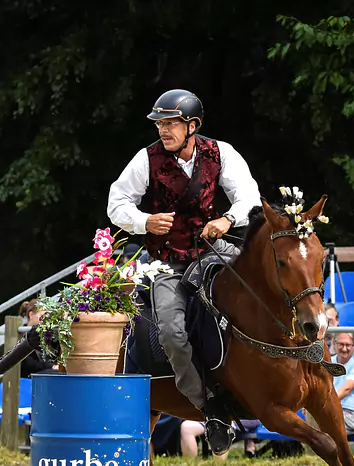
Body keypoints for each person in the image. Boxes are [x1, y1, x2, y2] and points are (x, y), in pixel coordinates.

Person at [107, 89, 261, 455]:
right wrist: (144, 221)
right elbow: (116, 203)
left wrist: (227, 219)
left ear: (193, 126)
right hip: (167, 263)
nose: (163, 129)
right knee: (173, 335)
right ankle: (211, 408)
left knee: (260, 288)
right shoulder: (146, 159)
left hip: (211, 251)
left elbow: (250, 196)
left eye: (171, 123)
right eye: (160, 123)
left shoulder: (220, 152)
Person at [19, 299, 58, 378]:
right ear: (31, 314)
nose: (46, 320)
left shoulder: (48, 333)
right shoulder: (20, 334)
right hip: (28, 378)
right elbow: (27, 363)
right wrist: (51, 366)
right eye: (42, 316)